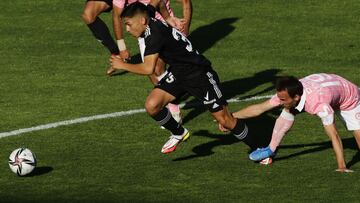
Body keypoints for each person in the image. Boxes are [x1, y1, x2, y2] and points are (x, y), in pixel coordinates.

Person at [109, 2, 251, 154]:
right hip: (179, 72)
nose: (127, 29)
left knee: (225, 121)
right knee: (152, 105)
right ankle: (178, 133)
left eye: (129, 24)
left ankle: (260, 146)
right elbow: (155, 2)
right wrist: (169, 17)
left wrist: (122, 65)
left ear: (142, 21)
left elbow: (148, 68)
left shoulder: (154, 35)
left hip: (198, 74)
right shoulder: (149, 15)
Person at [223, 73, 360, 172]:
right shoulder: (288, 92)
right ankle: (271, 149)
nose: (280, 102)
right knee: (289, 110)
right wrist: (230, 117)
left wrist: (341, 167)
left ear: (296, 96)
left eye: (283, 99)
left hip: (350, 97)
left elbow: (334, 135)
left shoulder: (319, 105)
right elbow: (260, 108)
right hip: (329, 87)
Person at [109, 0, 192, 123]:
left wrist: (168, 18)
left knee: (172, 66)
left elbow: (159, 2)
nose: (127, 30)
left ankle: (186, 91)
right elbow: (116, 14)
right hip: (142, 29)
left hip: (161, 25)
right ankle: (174, 107)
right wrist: (122, 47)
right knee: (154, 72)